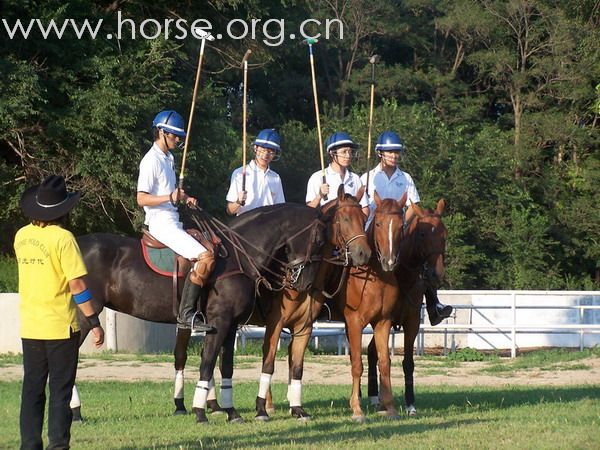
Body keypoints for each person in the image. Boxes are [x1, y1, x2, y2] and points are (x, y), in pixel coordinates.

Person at [14, 174, 105, 450]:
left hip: (30, 325)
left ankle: (29, 444)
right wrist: (94, 320)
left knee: (32, 389)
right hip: (60, 327)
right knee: (60, 391)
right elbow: (77, 285)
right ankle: (58, 445)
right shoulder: (64, 239)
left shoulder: (21, 236)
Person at [360, 130, 452, 326]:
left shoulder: (406, 177)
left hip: (397, 232)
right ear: (380, 154)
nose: (394, 156)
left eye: (397, 152)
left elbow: (413, 205)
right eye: (390, 152)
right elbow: (363, 208)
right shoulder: (367, 178)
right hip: (374, 234)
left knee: (422, 255)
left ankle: (433, 305)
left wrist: (401, 225)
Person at [137, 110, 216, 335]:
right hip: (160, 223)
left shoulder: (169, 158)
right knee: (205, 257)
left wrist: (183, 197)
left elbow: (169, 193)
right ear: (161, 132)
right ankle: (186, 314)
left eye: (179, 136)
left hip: (173, 219)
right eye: (174, 135)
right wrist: (170, 198)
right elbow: (141, 198)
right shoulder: (150, 160)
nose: (178, 140)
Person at [226, 128, 285, 216]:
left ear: (275, 154)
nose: (265, 155)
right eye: (262, 149)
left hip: (268, 227)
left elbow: (280, 209)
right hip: (245, 227)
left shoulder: (275, 178)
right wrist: (238, 202)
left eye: (270, 151)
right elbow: (229, 211)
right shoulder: (240, 174)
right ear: (255, 148)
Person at [306, 131, 363, 207]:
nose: (348, 156)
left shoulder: (355, 178)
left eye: (350, 152)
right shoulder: (317, 177)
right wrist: (319, 196)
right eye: (344, 152)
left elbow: (364, 207)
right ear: (332, 153)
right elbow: (308, 209)